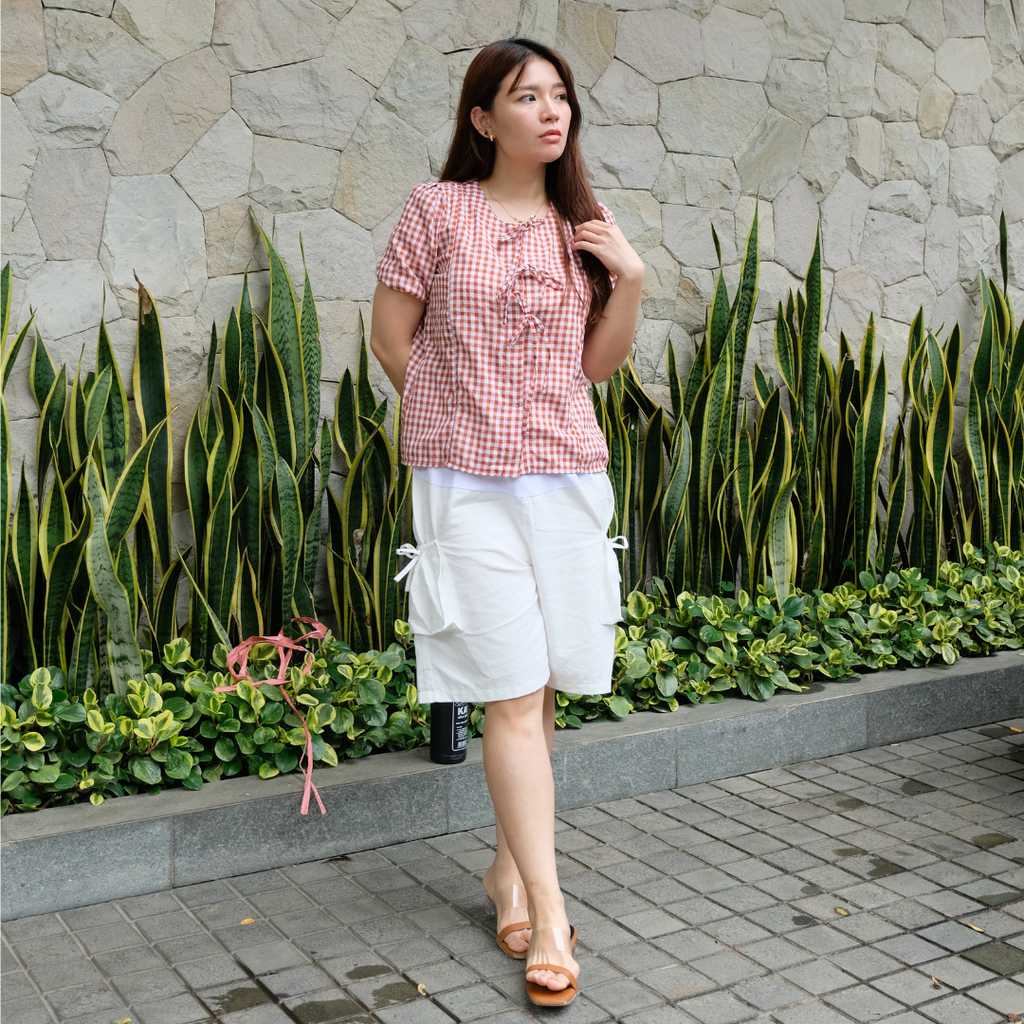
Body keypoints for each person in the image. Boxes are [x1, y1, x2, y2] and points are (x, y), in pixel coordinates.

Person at [369, 37, 644, 1007]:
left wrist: (632, 280)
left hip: (567, 480)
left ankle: (503, 870)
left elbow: (598, 366)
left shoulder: (586, 221)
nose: (550, 110)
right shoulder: (436, 209)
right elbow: (389, 335)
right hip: (466, 485)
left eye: (559, 95)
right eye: (526, 96)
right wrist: (455, 418)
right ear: (482, 118)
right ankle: (549, 906)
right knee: (510, 688)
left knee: (546, 681)